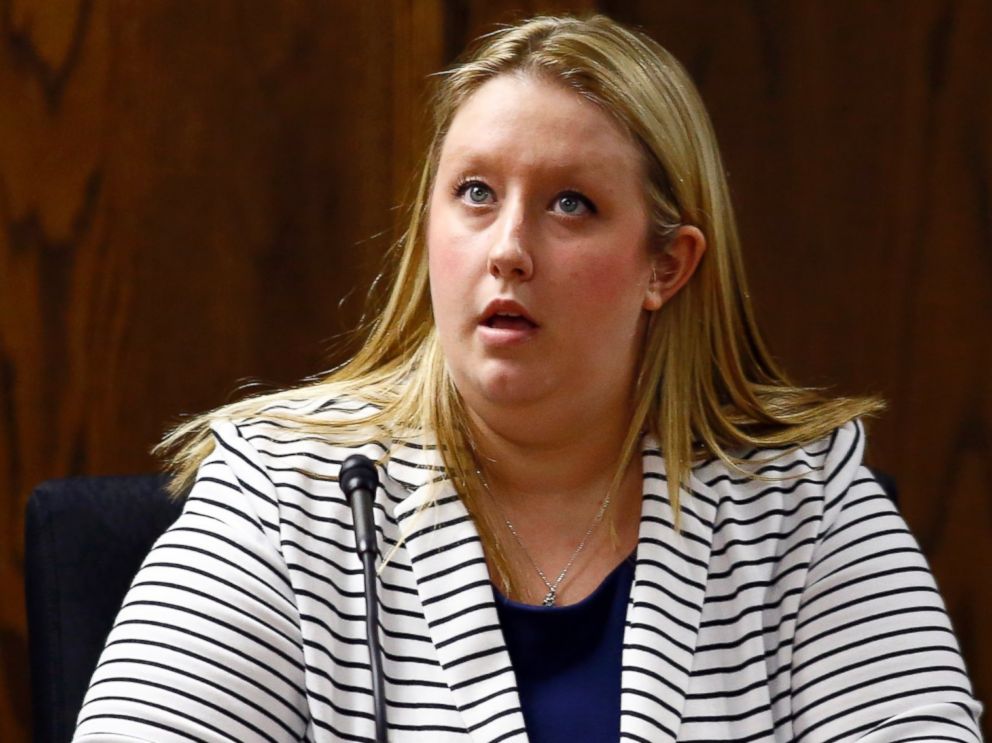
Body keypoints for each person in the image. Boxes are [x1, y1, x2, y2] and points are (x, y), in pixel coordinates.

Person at [73, 14, 982, 743]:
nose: (507, 248)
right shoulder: (287, 489)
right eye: (475, 193)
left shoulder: (800, 502)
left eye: (570, 204)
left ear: (666, 265)